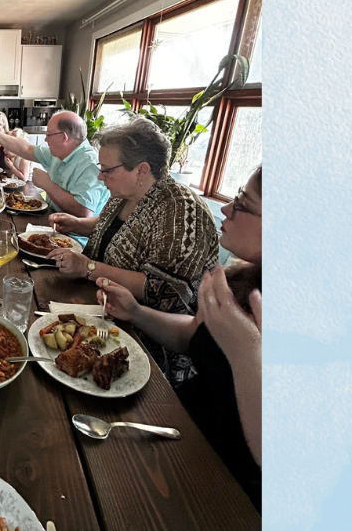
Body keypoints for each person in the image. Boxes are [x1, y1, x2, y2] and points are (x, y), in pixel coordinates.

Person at [96, 165, 262, 511]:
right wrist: (137, 313)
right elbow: (194, 336)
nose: (227, 208)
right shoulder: (246, 277)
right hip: (179, 431)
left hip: (222, 490)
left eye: (243, 203)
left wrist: (248, 354)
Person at [46, 116, 218, 387]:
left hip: (145, 347)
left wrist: (89, 268)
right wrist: (79, 224)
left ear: (141, 170)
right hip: (103, 317)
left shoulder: (180, 211)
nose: (101, 177)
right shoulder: (126, 195)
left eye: (107, 170)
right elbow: (116, 231)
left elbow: (165, 290)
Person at [0, 111, 109, 221]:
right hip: (51, 220)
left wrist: (47, 185)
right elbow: (26, 149)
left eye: (49, 134)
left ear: (64, 138)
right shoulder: (59, 152)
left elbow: (83, 213)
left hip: (73, 239)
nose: (46, 139)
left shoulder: (90, 163)